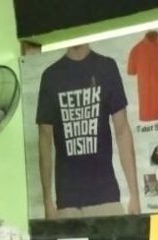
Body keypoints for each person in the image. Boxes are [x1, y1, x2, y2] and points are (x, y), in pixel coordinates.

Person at [36, 44, 141, 219]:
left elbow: (122, 130)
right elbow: (44, 139)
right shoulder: (51, 76)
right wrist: (47, 201)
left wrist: (134, 195)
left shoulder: (106, 67)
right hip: (67, 201)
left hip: (106, 196)